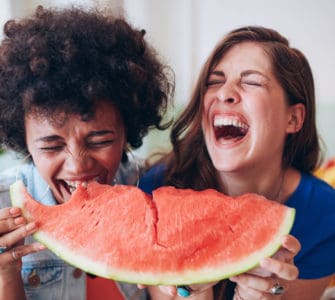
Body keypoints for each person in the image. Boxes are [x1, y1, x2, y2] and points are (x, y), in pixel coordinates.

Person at [139, 26, 335, 299]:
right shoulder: (159, 191)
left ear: (293, 119)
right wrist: (192, 290)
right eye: (214, 82)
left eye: (252, 82)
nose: (224, 93)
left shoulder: (325, 213)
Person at [0, 5, 174, 300]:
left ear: (126, 131)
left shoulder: (153, 189)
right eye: (52, 146)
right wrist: (5, 276)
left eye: (99, 140)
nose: (77, 165)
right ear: (24, 141)